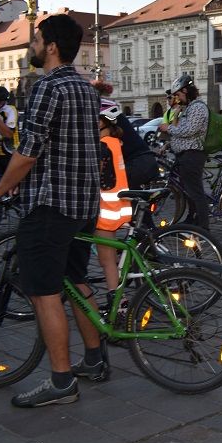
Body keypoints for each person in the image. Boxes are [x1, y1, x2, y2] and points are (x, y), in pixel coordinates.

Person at [0, 13, 103, 407]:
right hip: (83, 203)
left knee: (44, 293)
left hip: (50, 204)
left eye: (35, 41)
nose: (31, 47)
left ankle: (62, 381)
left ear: (50, 46)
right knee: (76, 279)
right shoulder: (84, 87)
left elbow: (28, 151)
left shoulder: (47, 87)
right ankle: (96, 359)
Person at [92, 101, 132, 342]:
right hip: (117, 209)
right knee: (110, 260)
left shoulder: (102, 146)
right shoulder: (115, 143)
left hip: (105, 212)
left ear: (102, 123)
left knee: (107, 262)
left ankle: (120, 307)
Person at [158, 74, 209, 231]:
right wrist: (169, 143)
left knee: (196, 192)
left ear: (186, 91)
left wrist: (169, 128)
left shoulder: (198, 107)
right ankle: (192, 219)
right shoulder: (189, 107)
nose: (177, 98)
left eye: (178, 94)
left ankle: (203, 228)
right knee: (189, 191)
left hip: (192, 155)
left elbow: (189, 130)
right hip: (184, 156)